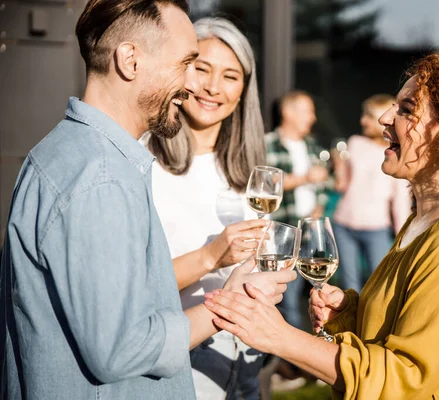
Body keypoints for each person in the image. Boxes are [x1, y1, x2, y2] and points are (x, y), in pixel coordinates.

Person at [201, 51, 439, 399]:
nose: (386, 118)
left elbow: (401, 379)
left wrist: (280, 336)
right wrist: (349, 314)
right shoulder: (422, 221)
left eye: (406, 110)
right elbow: (401, 330)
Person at [0, 2, 294, 399]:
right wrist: (231, 303)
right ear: (130, 60)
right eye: (187, 63)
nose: (194, 84)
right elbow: (122, 348)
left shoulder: (76, 157)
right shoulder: (100, 178)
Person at [144, 17, 269, 400]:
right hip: (176, 368)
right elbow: (130, 288)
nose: (214, 87)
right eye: (202, 69)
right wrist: (210, 257)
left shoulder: (249, 172)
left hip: (244, 358)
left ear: (244, 90)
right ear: (180, 70)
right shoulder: (143, 164)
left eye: (231, 76)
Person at [332, 94, 413, 292]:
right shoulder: (354, 143)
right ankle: (350, 323)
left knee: (379, 282)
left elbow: (400, 200)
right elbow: (342, 185)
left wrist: (404, 237)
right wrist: (338, 164)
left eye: (368, 116)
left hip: (376, 228)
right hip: (344, 223)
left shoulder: (395, 153)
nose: (363, 121)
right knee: (349, 284)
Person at [265, 90, 330, 330]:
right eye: (307, 111)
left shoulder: (311, 145)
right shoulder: (268, 143)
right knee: (288, 295)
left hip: (311, 228)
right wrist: (305, 178)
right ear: (287, 113)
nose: (312, 118)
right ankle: (289, 356)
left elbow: (323, 184)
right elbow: (266, 184)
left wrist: (318, 209)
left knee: (317, 292)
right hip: (285, 229)